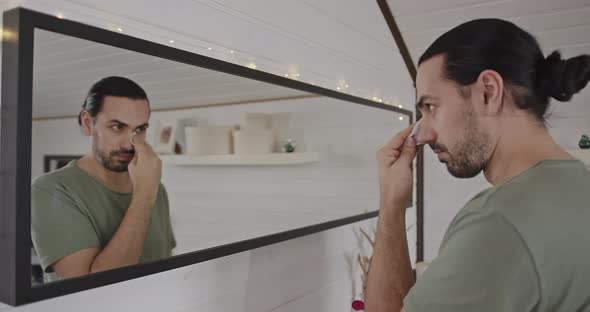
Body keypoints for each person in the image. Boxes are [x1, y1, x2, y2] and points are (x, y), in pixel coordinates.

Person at [366, 18, 590, 311]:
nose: (422, 133)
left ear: (488, 91)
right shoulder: (580, 186)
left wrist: (391, 207)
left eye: (431, 106)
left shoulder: (500, 221)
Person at [31, 76, 176, 282]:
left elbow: (164, 267)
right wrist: (144, 196)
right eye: (117, 127)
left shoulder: (155, 189)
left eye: (140, 129)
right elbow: (91, 292)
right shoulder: (50, 189)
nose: (130, 143)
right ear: (88, 123)